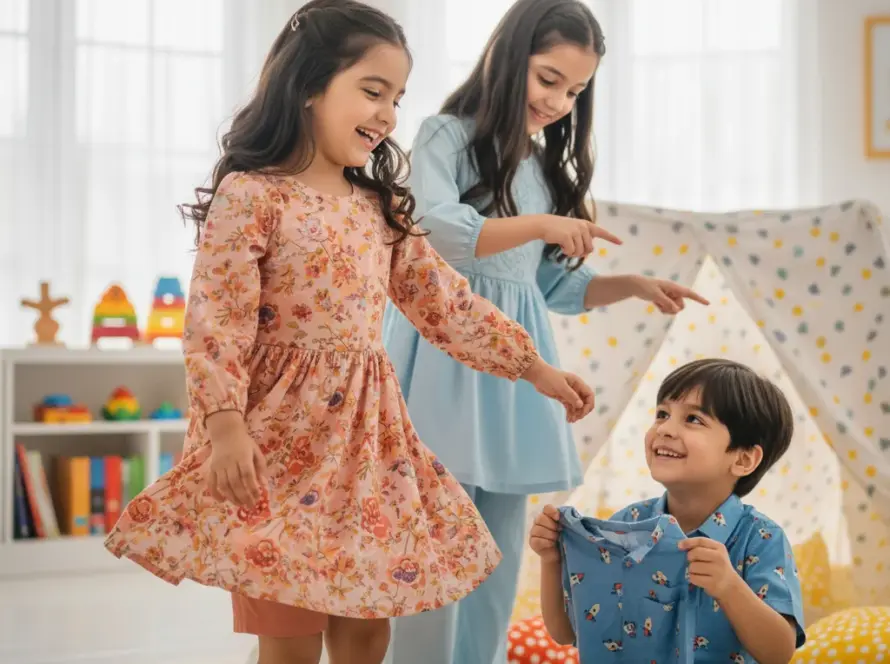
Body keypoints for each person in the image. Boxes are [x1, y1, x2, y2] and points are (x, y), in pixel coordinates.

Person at [102, 2, 597, 664]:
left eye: (396, 97)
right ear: (308, 86)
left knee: (367, 633)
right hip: (273, 449)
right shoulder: (253, 195)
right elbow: (216, 321)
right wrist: (223, 425)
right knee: (290, 640)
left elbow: (445, 303)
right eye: (372, 91)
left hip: (367, 455)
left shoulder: (379, 209)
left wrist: (535, 368)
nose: (389, 115)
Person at [383, 1, 706, 662]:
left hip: (513, 380)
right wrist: (544, 226)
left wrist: (634, 285)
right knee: (427, 547)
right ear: (510, 60)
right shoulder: (445, 135)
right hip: (442, 362)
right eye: (549, 78)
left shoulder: (540, 167)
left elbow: (551, 287)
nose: (560, 100)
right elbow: (442, 231)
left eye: (576, 90)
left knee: (496, 559)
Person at [530, 358, 806, 663]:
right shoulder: (627, 526)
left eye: (694, 420)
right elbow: (567, 632)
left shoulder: (761, 539)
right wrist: (551, 560)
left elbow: (779, 653)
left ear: (742, 460)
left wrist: (729, 587)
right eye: (662, 414)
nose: (665, 429)